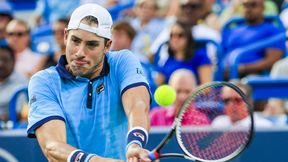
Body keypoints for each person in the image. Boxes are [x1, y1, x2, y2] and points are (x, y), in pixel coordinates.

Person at [27, 4, 151, 162]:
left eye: (91, 44)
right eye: (75, 41)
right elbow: (52, 146)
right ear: (66, 36)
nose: (80, 53)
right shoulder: (43, 81)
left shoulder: (123, 61)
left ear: (107, 46)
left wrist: (135, 144)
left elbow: (138, 105)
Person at [221, 0, 286, 79]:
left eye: (253, 5)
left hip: (252, 78)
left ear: (263, 7)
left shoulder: (272, 30)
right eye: (245, 6)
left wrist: (243, 68)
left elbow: (273, 60)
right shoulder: (232, 30)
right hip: (225, 77)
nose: (248, 9)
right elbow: (220, 55)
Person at [152, 20, 213, 85]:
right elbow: (157, 84)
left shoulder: (200, 56)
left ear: (188, 37)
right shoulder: (168, 60)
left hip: (194, 94)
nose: (175, 39)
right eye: (172, 35)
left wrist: (185, 92)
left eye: (180, 35)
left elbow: (207, 87)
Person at [0, 45, 28, 123]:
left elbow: (20, 113)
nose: (1, 64)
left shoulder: (23, 82)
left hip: (11, 130)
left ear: (14, 62)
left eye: (5, 60)